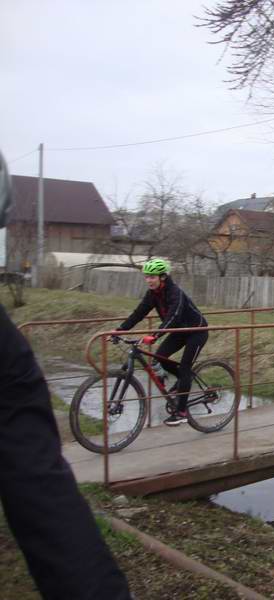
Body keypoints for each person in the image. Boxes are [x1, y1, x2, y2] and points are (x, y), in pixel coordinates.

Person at [0, 150, 132, 599]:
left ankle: (183, 395)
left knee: (179, 353)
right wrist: (126, 330)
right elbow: (142, 311)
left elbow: (175, 315)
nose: (153, 283)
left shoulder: (171, 291)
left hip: (191, 330)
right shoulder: (153, 291)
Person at [116, 258, 208, 426]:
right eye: (147, 276)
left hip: (196, 331)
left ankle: (181, 412)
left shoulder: (175, 293)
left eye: (152, 276)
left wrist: (155, 335)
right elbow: (139, 313)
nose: (148, 280)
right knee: (160, 357)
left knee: (185, 367)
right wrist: (120, 330)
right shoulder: (153, 294)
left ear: (163, 277)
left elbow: (174, 316)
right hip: (179, 332)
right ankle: (182, 381)